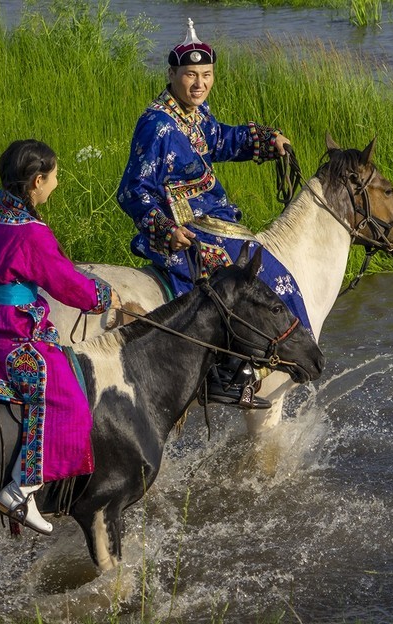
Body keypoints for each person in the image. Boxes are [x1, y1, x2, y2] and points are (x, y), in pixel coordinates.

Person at [116, 19, 292, 409]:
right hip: (182, 226)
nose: (199, 83)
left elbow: (223, 139)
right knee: (224, 279)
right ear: (172, 74)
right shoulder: (157, 126)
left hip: (211, 216)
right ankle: (218, 373)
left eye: (207, 75)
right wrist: (163, 229)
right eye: (191, 75)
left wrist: (266, 140)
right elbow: (132, 190)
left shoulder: (195, 115)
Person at [0, 139, 116, 535]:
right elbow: (64, 283)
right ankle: (21, 488)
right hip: (11, 329)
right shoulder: (32, 234)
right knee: (66, 397)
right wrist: (101, 296)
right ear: (37, 181)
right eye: (55, 177)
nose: (57, 184)